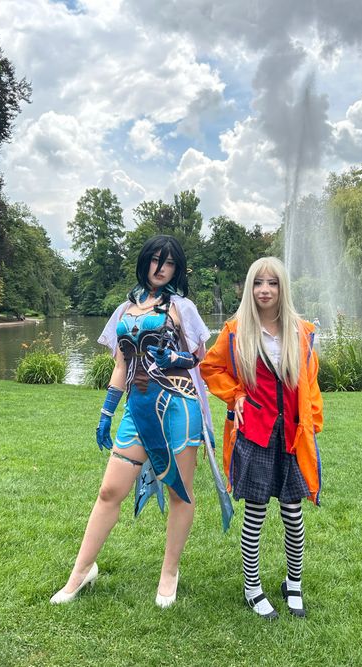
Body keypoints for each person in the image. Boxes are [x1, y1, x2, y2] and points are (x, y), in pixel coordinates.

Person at [50, 235, 213, 608]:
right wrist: (107, 412)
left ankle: (169, 572)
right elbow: (121, 365)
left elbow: (200, 358)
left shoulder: (183, 307)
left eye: (168, 262)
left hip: (178, 406)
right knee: (110, 490)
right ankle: (81, 571)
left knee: (180, 491)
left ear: (176, 268)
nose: (160, 268)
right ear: (144, 262)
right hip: (136, 408)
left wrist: (173, 358)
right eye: (155, 260)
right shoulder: (125, 310)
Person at [200, 257, 323, 619]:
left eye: (272, 283)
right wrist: (236, 394)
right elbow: (210, 367)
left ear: (283, 287)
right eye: (257, 283)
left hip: (292, 436)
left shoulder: (302, 332)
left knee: (293, 514)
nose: (264, 290)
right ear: (249, 288)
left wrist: (312, 421)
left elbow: (310, 382)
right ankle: (252, 587)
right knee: (255, 514)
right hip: (254, 433)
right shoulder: (236, 331)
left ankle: (293, 583)